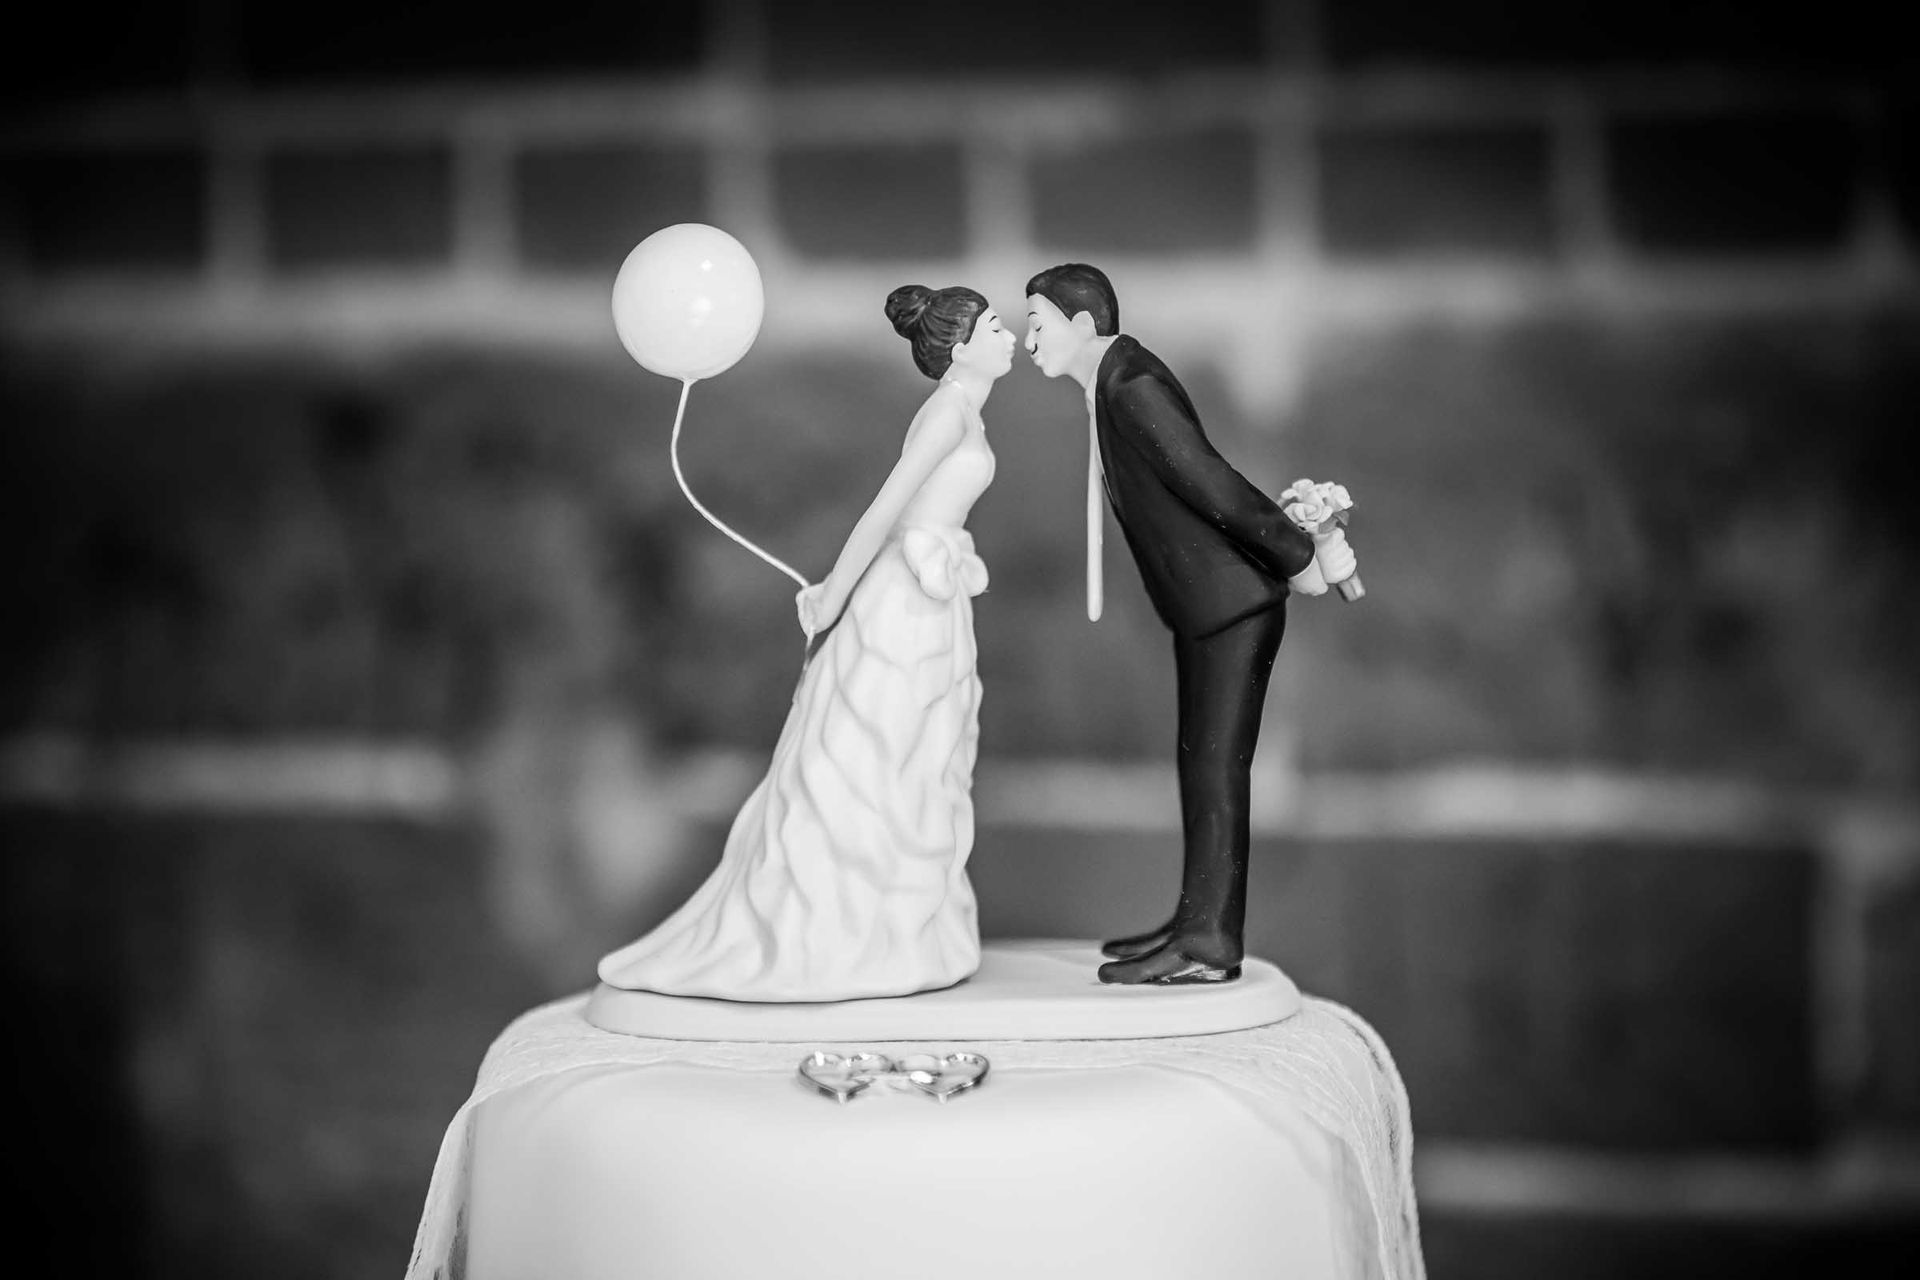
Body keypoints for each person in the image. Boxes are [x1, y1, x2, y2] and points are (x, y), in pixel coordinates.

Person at [598, 285, 1015, 1002]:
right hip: (902, 606)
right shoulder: (946, 413)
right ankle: (843, 930)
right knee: (872, 755)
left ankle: (907, 928)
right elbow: (884, 512)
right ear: (960, 344)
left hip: (934, 602)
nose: (1009, 336)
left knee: (920, 758)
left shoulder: (968, 411)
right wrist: (831, 593)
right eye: (998, 327)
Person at [1023, 263, 1355, 985]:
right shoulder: (1111, 385)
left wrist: (1297, 553)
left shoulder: (1131, 387)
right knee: (1198, 766)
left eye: (1037, 325)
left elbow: (1211, 482)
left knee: (1215, 769)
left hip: (1232, 604)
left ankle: (1208, 941)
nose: (1027, 341)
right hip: (1205, 606)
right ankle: (1195, 921)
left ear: (1082, 326)